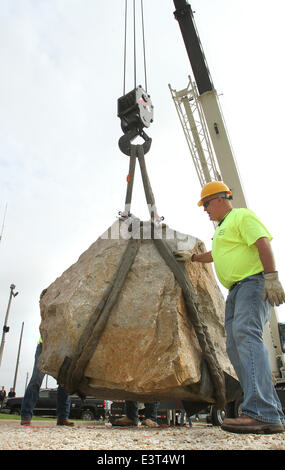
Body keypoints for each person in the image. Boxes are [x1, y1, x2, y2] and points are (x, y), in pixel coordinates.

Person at [174, 181, 285, 434]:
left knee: (246, 336)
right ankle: (269, 412)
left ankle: (261, 412)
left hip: (252, 284)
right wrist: (193, 258)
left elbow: (262, 242)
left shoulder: (241, 216)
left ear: (221, 198)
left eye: (206, 204)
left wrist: (271, 277)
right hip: (236, 291)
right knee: (235, 346)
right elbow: (217, 254)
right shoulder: (222, 230)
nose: (205, 210)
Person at [20, 338, 74, 427]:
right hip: (45, 346)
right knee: (36, 379)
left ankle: (62, 418)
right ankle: (26, 416)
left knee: (64, 382)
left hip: (63, 349)